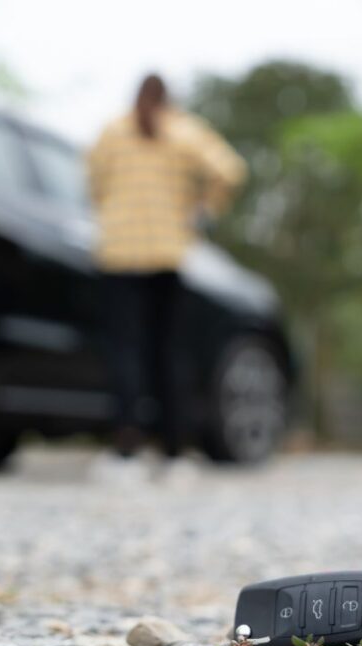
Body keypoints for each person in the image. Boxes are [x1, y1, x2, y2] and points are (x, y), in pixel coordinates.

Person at [87, 73, 246, 482]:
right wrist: (203, 209)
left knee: (126, 352)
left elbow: (92, 184)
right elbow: (231, 170)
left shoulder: (112, 132)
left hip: (120, 254)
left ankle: (126, 453)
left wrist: (113, 212)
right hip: (167, 254)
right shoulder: (184, 130)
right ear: (168, 99)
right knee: (169, 353)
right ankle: (174, 452)